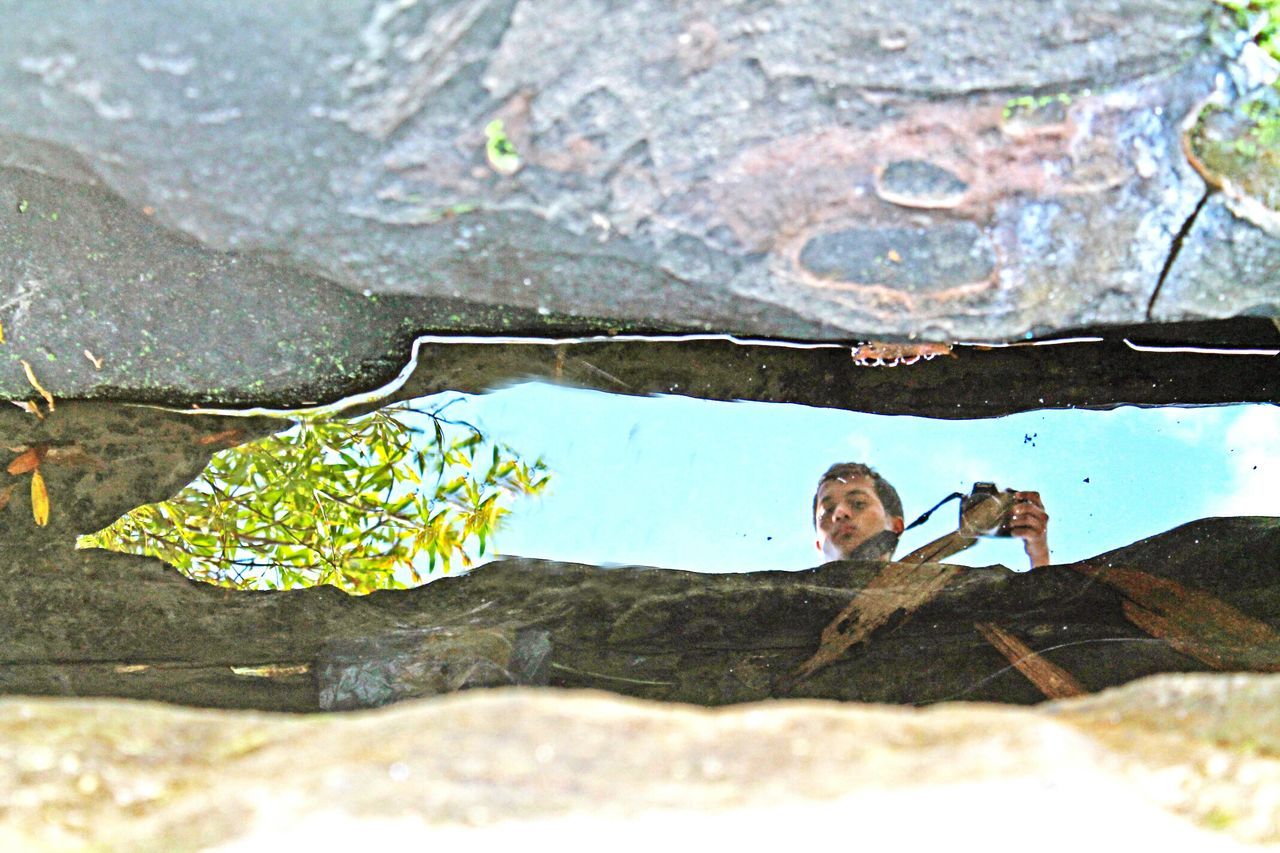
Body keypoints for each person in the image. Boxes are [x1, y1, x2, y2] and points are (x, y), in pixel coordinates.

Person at [812, 462, 1051, 569]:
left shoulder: (937, 589)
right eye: (827, 510)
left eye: (858, 503)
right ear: (817, 544)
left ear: (896, 526)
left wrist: (1037, 550)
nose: (841, 513)